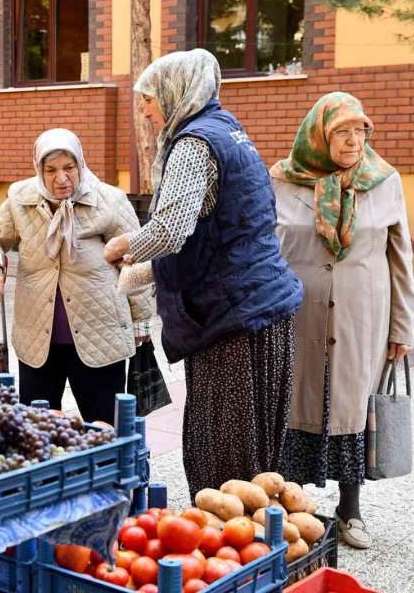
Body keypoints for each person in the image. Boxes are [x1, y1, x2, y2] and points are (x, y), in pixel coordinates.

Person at [103, 49, 304, 499]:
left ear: (176, 93)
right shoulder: (230, 131)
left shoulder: (194, 144)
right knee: (255, 449)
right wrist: (142, 278)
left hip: (231, 320)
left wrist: (126, 247)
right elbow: (219, 235)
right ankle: (257, 541)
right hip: (261, 308)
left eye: (150, 99)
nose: (146, 111)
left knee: (224, 450)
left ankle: (231, 550)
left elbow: (172, 230)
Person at [271, 92, 414, 549]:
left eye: (361, 130)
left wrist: (402, 327)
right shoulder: (281, 178)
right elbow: (263, 247)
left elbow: (399, 259)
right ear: (319, 133)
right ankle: (282, 511)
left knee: (353, 409)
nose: (354, 141)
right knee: (291, 406)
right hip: (293, 315)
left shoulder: (384, 180)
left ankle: (350, 511)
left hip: (361, 319)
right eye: (342, 131)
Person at [0, 128, 153, 425]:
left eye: (69, 168)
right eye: (51, 170)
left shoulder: (110, 200)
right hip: (37, 343)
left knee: (106, 430)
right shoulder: (21, 199)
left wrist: (141, 321)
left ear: (81, 164)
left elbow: (137, 262)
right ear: (38, 170)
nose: (62, 178)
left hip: (100, 337)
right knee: (37, 431)